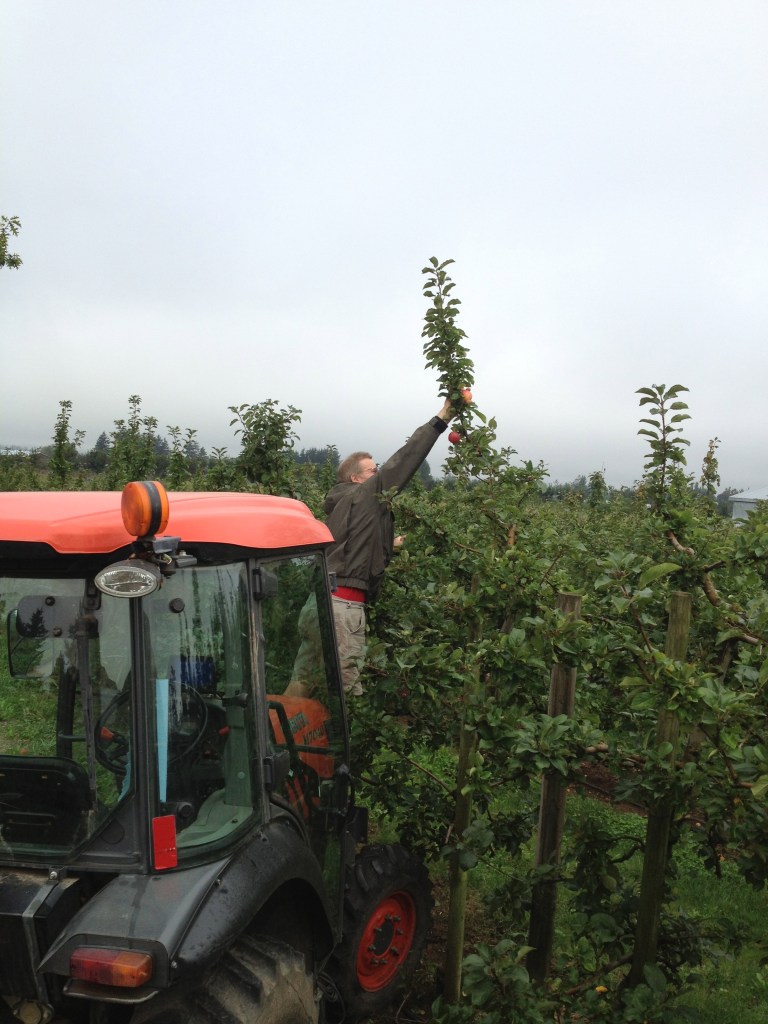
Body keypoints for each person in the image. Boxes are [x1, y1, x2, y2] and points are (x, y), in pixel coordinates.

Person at [323, 397, 453, 695]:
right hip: (344, 606)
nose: (378, 475)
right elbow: (404, 460)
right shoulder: (366, 495)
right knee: (347, 692)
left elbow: (351, 543)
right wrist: (442, 418)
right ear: (356, 478)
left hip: (320, 602)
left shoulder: (341, 501)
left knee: (307, 678)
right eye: (373, 471)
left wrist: (388, 544)